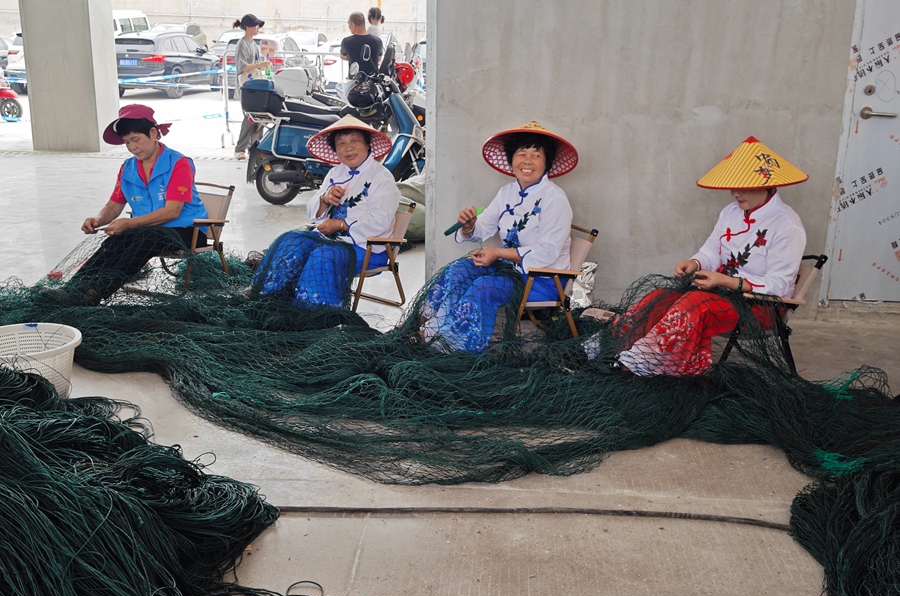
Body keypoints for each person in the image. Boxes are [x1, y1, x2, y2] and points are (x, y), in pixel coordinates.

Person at [587, 136, 808, 376]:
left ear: (766, 184)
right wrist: (695, 263)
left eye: (742, 186)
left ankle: (638, 364)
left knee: (695, 304)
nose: (734, 193)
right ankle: (601, 346)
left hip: (760, 307)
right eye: (732, 186)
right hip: (722, 295)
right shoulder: (730, 212)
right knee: (660, 296)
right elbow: (712, 250)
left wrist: (725, 281)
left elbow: (781, 285)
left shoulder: (787, 225)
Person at [421, 121, 579, 353]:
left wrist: (497, 253)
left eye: (536, 154)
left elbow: (548, 252)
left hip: (542, 279)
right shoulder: (507, 192)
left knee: (484, 286)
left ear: (547, 162)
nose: (527, 161)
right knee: (459, 271)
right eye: (521, 153)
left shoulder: (555, 198)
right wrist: (469, 227)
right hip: (509, 271)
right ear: (511, 159)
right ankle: (435, 330)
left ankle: (457, 346)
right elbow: (483, 227)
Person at [63, 105, 208, 304]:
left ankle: (95, 293)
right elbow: (113, 206)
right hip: (146, 230)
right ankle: (73, 288)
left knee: (145, 234)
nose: (132, 147)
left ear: (153, 133)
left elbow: (172, 211)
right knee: (116, 240)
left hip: (187, 232)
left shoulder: (179, 163)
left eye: (136, 139)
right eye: (126, 142)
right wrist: (97, 219)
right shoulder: (127, 168)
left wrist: (131, 223)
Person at [251, 116, 400, 307]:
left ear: (368, 145)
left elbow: (380, 221)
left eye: (355, 141)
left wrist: (340, 224)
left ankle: (316, 312)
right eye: (341, 144)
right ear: (336, 150)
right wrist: (324, 199)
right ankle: (266, 297)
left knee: (323, 255)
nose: (348, 148)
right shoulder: (335, 173)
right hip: (331, 241)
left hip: (369, 248)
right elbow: (313, 213)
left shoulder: (382, 178)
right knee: (292, 241)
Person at [232, 13, 270, 160]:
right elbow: (242, 67)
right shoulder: (242, 45)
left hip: (254, 84)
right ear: (247, 27)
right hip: (246, 86)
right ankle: (240, 149)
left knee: (257, 117)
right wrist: (260, 65)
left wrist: (263, 67)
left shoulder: (253, 44)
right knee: (249, 116)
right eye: (255, 25)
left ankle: (255, 148)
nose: (258, 28)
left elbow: (256, 66)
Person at [341, 11, 383, 78]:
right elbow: (378, 59)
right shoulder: (377, 41)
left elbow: (342, 56)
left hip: (355, 83)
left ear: (352, 25)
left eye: (348, 24)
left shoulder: (347, 41)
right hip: (372, 81)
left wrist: (353, 56)